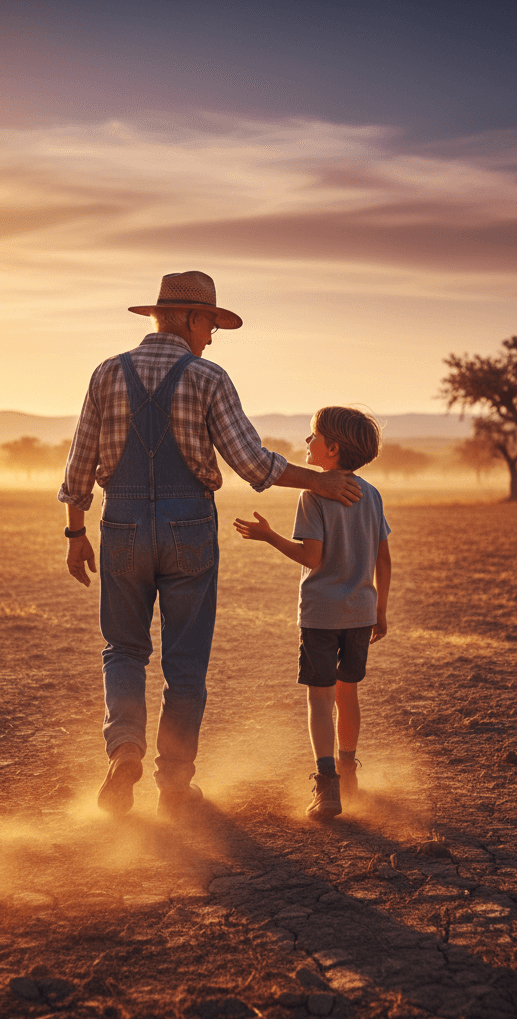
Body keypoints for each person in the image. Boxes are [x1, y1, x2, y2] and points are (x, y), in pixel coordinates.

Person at [60, 271, 361, 819]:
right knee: (186, 664)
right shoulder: (208, 377)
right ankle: (174, 785)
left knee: (123, 649)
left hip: (121, 525)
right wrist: (318, 481)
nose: (211, 338)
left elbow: (80, 463)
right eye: (211, 326)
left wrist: (76, 532)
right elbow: (252, 463)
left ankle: (124, 750)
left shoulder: (107, 373)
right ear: (192, 318)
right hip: (189, 529)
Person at [233, 407, 391, 820]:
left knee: (320, 699)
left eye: (313, 436)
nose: (307, 442)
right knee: (347, 694)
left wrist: (269, 536)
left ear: (332, 449)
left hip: (321, 615)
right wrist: (380, 608)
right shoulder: (372, 495)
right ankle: (348, 773)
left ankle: (327, 787)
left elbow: (311, 558)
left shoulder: (313, 495)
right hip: (360, 613)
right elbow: (383, 557)